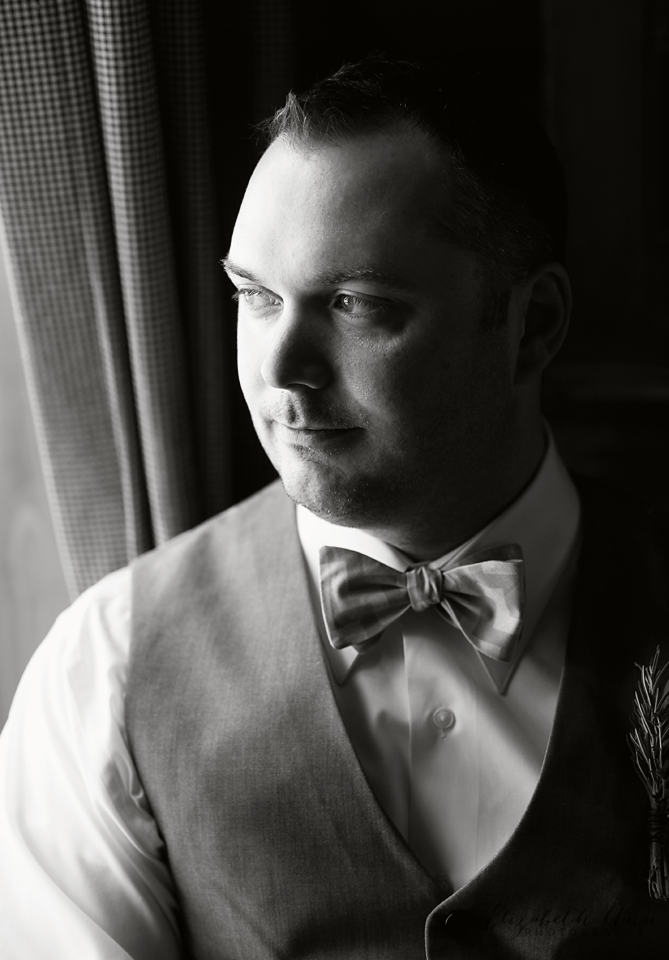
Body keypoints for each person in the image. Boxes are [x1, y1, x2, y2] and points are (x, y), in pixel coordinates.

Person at [0, 55, 667, 960]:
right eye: (255, 296)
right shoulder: (105, 668)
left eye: (355, 305)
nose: (280, 370)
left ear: (532, 324)